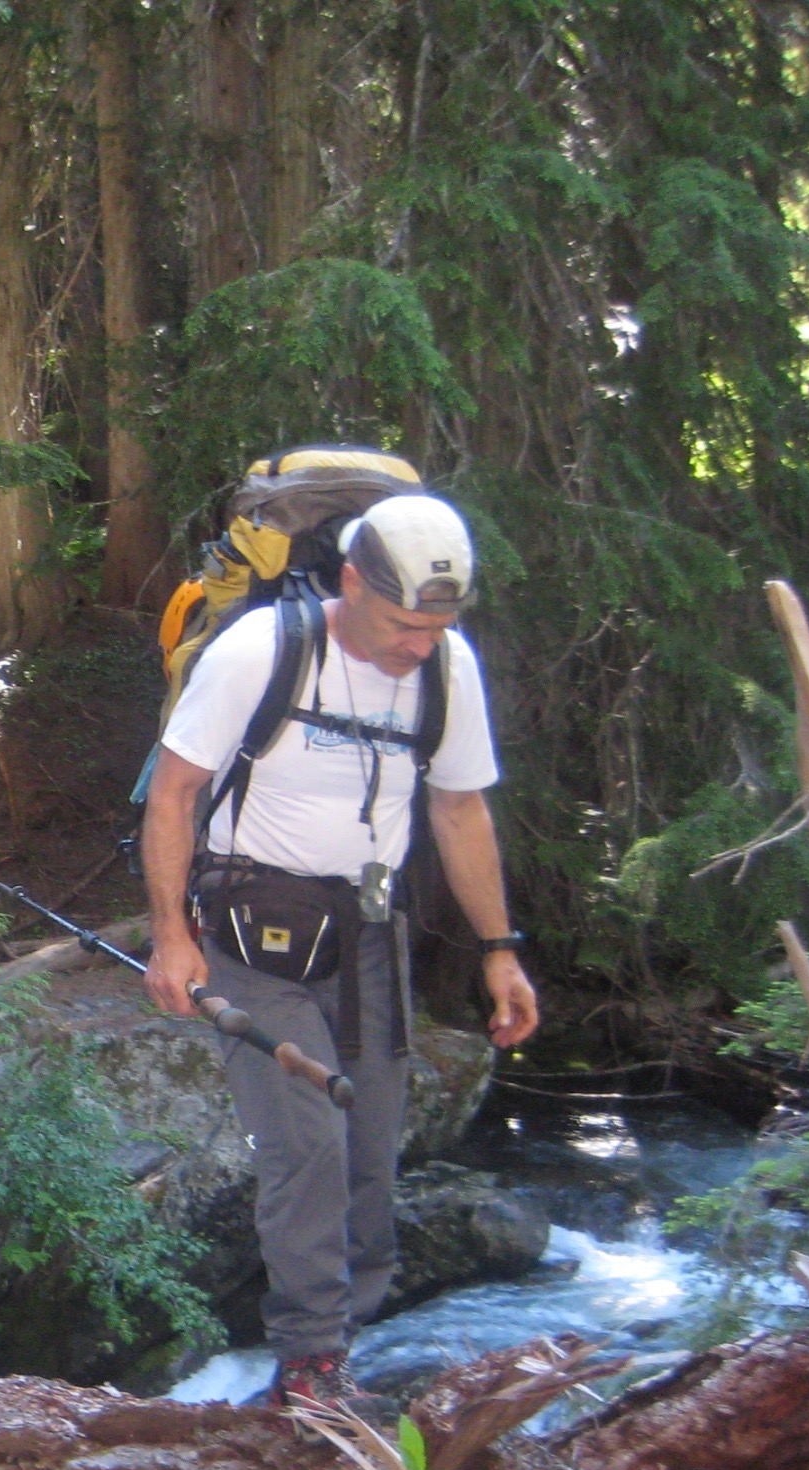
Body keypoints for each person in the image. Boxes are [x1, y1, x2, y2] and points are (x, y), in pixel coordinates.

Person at [138, 493, 539, 1409]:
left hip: (369, 939)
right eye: (403, 625)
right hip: (249, 936)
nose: (419, 646)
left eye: (437, 628)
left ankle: (338, 1347)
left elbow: (459, 808)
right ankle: (310, 1368)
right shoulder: (261, 653)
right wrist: (171, 936)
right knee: (308, 1146)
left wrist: (498, 951)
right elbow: (174, 794)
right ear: (352, 582)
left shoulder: (447, 668)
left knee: (369, 1148)